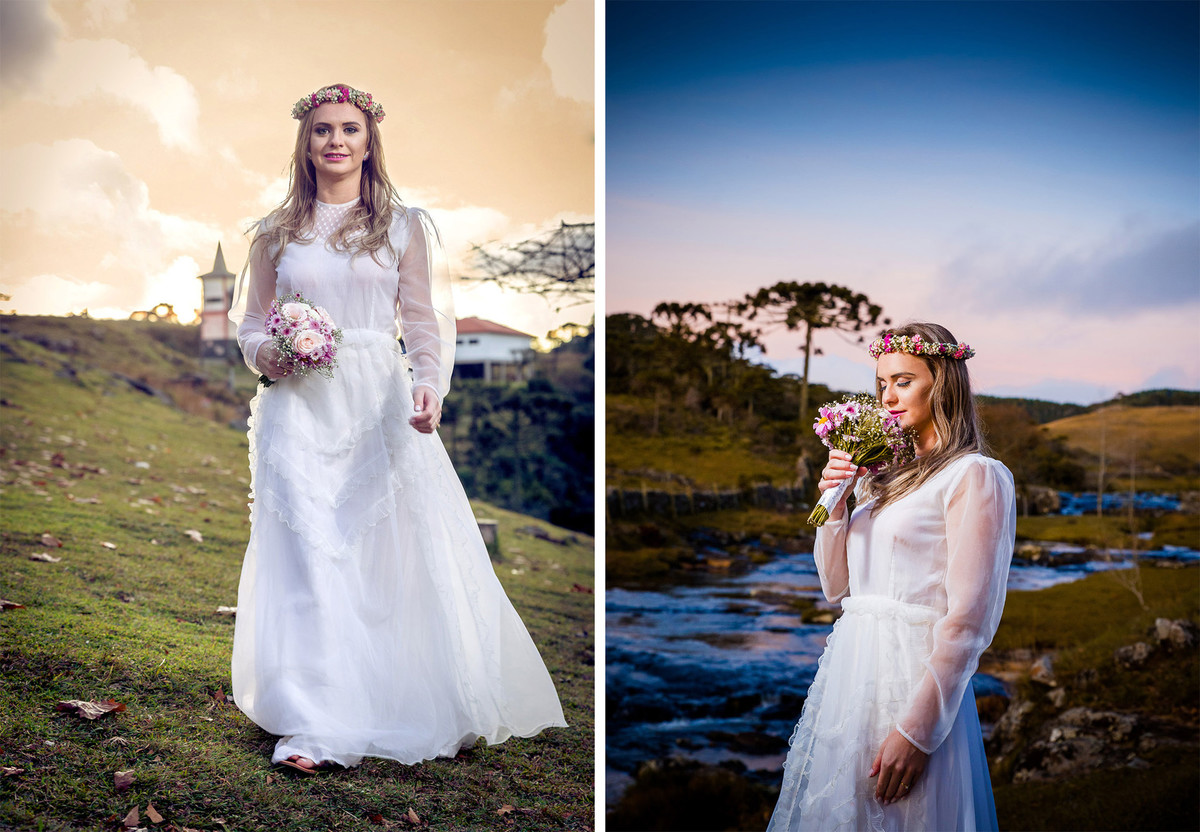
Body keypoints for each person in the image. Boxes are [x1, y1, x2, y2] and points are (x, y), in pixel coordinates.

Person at [228, 83, 566, 773]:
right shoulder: (274, 232)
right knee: (307, 552)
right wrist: (273, 352)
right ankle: (313, 719)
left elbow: (421, 325)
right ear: (306, 142)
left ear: (369, 139)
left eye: (349, 129)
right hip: (298, 403)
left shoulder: (403, 226)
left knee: (376, 551)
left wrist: (427, 387)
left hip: (375, 398)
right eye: (322, 130)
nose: (335, 141)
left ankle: (382, 693)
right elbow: (252, 323)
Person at [768, 322, 1016, 831]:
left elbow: (969, 620)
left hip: (912, 679)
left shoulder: (974, 475)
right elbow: (837, 587)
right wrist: (833, 500)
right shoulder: (880, 479)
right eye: (882, 384)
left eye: (903, 381)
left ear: (942, 382)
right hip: (852, 673)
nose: (888, 396)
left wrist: (918, 731)